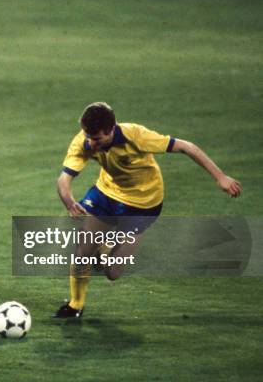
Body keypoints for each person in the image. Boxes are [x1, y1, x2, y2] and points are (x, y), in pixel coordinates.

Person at [54, 102, 242, 318]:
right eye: (88, 136)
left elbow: (186, 147)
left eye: (96, 139)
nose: (91, 143)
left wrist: (220, 177)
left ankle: (105, 249)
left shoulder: (137, 136)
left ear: (112, 129)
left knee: (112, 272)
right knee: (82, 252)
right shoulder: (84, 140)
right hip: (106, 194)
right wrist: (69, 202)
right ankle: (75, 305)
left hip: (143, 204)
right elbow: (64, 179)